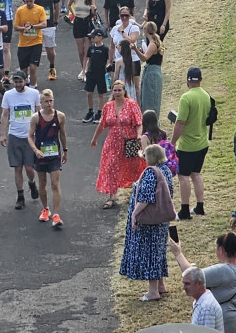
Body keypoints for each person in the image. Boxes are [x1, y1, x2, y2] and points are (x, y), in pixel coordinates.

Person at [169, 232, 236, 333]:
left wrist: (178, 253)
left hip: (223, 320)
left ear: (221, 250)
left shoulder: (223, 270)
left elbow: (192, 275)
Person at [119, 144, 174, 301]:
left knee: (150, 253)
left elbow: (145, 199)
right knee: (158, 252)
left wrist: (134, 215)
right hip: (161, 220)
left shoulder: (151, 173)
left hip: (149, 221)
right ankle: (161, 286)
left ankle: (153, 291)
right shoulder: (166, 170)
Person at [91, 80, 144, 209]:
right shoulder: (108, 106)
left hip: (129, 141)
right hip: (112, 142)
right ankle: (111, 197)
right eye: (115, 90)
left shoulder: (132, 105)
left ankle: (137, 193)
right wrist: (94, 138)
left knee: (134, 167)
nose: (117, 92)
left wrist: (138, 135)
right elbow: (102, 124)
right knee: (110, 167)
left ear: (124, 91)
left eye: (120, 90)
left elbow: (139, 122)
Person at [171, 66, 212, 220]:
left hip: (187, 145)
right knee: (196, 174)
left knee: (183, 176)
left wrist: (173, 141)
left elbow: (180, 122)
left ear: (188, 80)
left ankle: (185, 210)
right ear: (201, 79)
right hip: (202, 142)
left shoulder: (186, 98)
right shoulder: (206, 96)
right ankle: (200, 206)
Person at [0, 70, 41, 210]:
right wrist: (3, 134)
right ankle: (20, 196)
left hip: (30, 136)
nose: (18, 84)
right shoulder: (8, 95)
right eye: (15, 82)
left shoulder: (34, 94)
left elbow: (39, 113)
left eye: (20, 82)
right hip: (15, 135)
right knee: (17, 167)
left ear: (25, 81)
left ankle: (31, 182)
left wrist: (40, 133)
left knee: (29, 167)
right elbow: (5, 114)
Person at [28, 89, 67, 228]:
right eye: (46, 101)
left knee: (55, 184)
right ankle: (45, 209)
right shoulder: (36, 117)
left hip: (54, 155)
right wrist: (36, 150)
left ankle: (56, 215)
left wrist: (65, 150)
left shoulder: (60, 116)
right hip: (41, 155)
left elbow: (62, 134)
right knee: (42, 183)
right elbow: (30, 136)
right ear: (41, 102)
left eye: (51, 101)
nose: (49, 104)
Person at [12, 0, 46, 87]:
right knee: (23, 70)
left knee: (33, 67)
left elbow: (44, 24)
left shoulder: (40, 9)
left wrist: (33, 26)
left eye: (31, 1)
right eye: (27, 1)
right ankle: (24, 86)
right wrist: (24, 28)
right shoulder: (20, 10)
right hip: (23, 44)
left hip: (36, 42)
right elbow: (16, 27)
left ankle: (33, 87)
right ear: (24, 0)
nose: (29, 3)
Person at [181, 265, 226, 332]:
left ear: (199, 284)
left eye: (187, 284)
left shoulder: (206, 308)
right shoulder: (200, 300)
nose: (184, 287)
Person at [135, 21, 165, 114]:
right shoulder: (155, 42)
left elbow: (144, 58)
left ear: (145, 30)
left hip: (152, 72)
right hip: (153, 71)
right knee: (149, 99)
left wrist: (135, 49)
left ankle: (151, 123)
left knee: (150, 100)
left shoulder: (152, 44)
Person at [82, 28, 110, 124]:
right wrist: (85, 70)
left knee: (100, 94)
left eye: (94, 36)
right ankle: (90, 111)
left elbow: (108, 61)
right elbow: (88, 59)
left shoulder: (105, 49)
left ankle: (100, 112)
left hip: (101, 74)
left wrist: (108, 74)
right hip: (91, 73)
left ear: (100, 37)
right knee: (89, 93)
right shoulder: (91, 48)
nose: (92, 38)